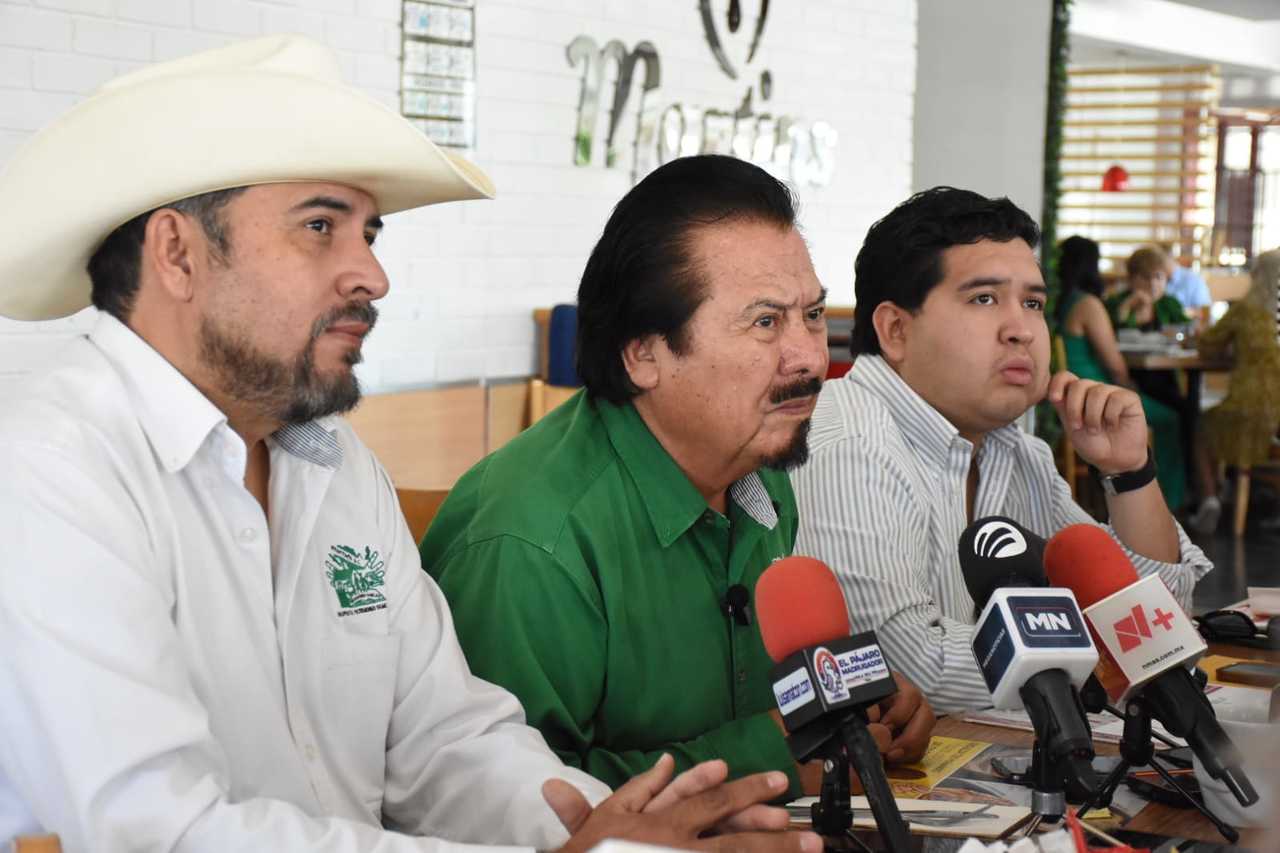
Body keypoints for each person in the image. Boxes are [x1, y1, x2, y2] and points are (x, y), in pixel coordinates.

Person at [0, 37, 816, 853]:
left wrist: (614, 835)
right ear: (178, 254)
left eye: (368, 234)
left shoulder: (334, 465)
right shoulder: (52, 470)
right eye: (320, 226)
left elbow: (448, 739)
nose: (372, 274)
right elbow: (161, 831)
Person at [421, 155, 935, 800]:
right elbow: (503, 802)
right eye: (765, 322)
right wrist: (766, 761)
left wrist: (853, 706)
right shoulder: (530, 543)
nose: (810, 357)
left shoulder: (759, 474)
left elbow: (759, 701)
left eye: (812, 314)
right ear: (644, 353)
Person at [790, 187, 1213, 713]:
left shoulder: (1017, 451)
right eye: (984, 299)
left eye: (1033, 303)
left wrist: (1129, 473)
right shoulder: (848, 444)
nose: (1022, 331)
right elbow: (916, 668)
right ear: (896, 331)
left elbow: (1161, 619)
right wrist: (1114, 660)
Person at [1056, 236, 1186, 511]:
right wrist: (1131, 389)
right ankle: (1168, 502)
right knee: (1170, 419)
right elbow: (1115, 365)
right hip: (1095, 393)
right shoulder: (1089, 305)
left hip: (1072, 391)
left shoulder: (1062, 302)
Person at [1191, 249, 1280, 533]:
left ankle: (1210, 498)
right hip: (1275, 418)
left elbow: (1208, 345)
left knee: (1201, 426)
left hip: (1248, 410)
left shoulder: (1246, 311)